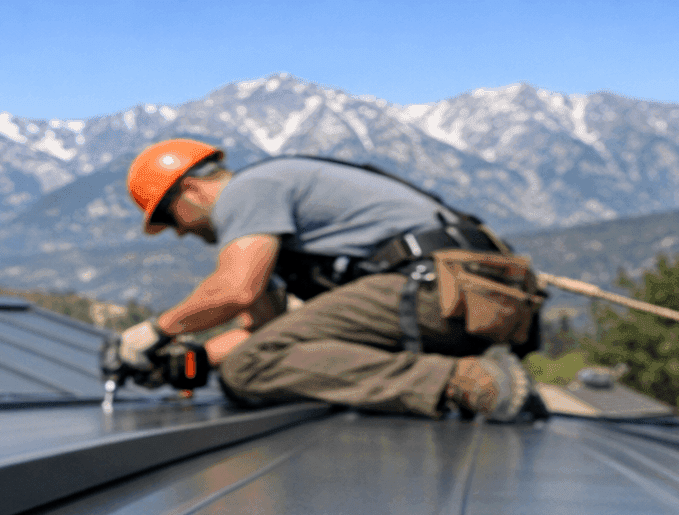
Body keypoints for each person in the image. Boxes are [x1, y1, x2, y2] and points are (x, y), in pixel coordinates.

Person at [116, 139, 546, 421]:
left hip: (435, 289)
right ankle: (483, 373)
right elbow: (267, 331)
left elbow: (235, 290)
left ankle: (468, 382)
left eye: (169, 218)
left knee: (247, 371)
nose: (179, 231)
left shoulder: (247, 192)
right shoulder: (276, 209)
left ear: (190, 190)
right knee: (250, 358)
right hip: (475, 296)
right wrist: (193, 360)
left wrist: (153, 331)